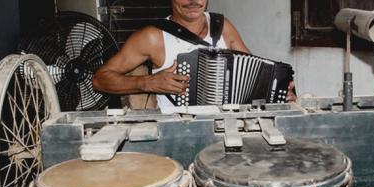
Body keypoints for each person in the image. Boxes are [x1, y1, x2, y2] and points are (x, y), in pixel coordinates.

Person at [93, 0, 296, 109]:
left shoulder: (223, 26)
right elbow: (100, 80)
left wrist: (276, 91)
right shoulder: (153, 37)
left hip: (231, 130)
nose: (193, 1)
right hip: (180, 130)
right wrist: (146, 83)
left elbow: (256, 77)